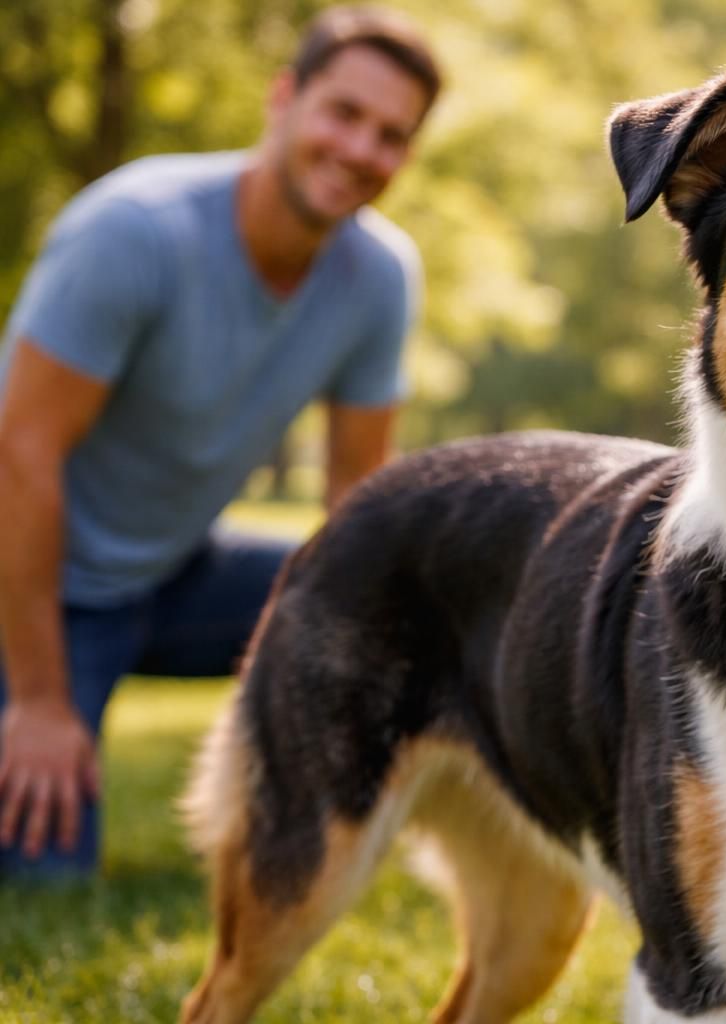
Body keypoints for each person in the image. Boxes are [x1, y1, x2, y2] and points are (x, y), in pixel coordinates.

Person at [0, 6, 441, 881]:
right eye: (343, 113)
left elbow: (355, 507)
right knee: (40, 869)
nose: (361, 149)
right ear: (284, 99)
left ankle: (337, 815)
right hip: (33, 583)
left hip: (174, 575)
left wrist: (357, 701)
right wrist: (42, 706)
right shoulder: (133, 232)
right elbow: (19, 456)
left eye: (391, 135)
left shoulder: (378, 280)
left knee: (413, 617)